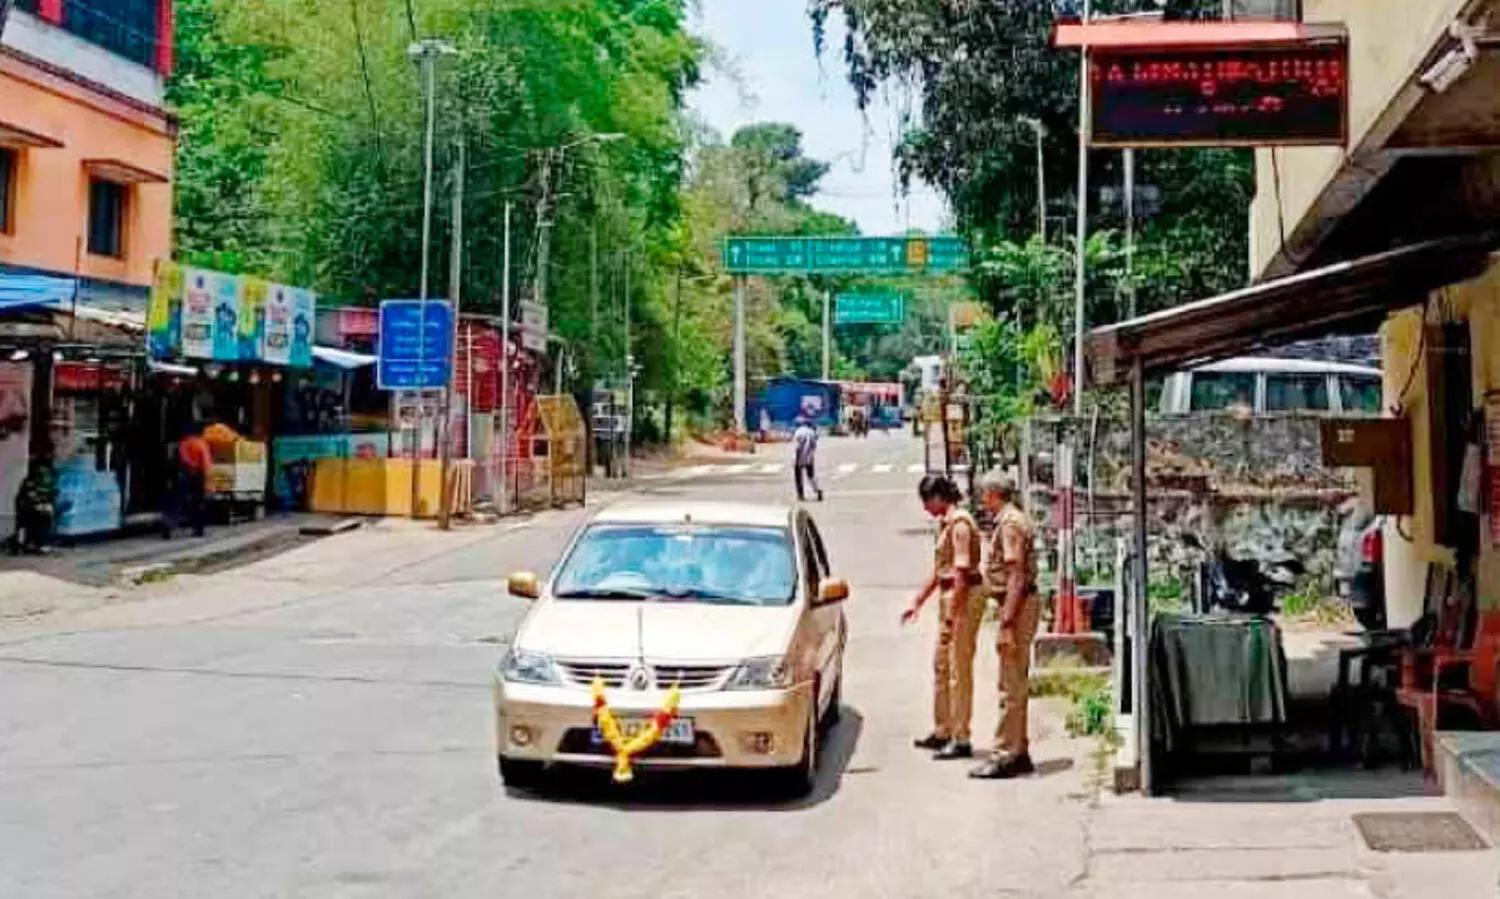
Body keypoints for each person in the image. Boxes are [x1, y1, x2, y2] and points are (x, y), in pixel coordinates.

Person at [901, 474, 983, 760]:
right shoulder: (946, 525)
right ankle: (943, 729)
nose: (925, 507)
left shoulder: (960, 524)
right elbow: (941, 570)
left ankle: (961, 737)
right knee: (941, 667)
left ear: (938, 497)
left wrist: (955, 611)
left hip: (962, 597)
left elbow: (961, 572)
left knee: (958, 671)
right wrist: (918, 602)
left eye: (927, 501)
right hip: (949, 596)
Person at [970, 472, 1042, 779]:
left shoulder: (1010, 524)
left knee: (1009, 684)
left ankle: (1005, 754)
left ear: (993, 494)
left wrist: (1007, 623)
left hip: (1018, 606)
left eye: (983, 494)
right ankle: (1019, 748)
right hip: (1019, 604)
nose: (981, 500)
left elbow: (1016, 575)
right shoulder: (1011, 520)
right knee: (1015, 681)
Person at [165, 422, 213, 539]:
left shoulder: (184, 443)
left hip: (183, 475)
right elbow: (207, 464)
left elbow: (181, 459)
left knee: (176, 502)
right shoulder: (201, 444)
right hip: (197, 475)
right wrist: (209, 484)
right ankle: (198, 529)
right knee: (198, 503)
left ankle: (168, 527)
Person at [11, 453, 57, 555]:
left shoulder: (47, 479)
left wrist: (46, 503)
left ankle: (38, 544)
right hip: (26, 506)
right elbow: (29, 494)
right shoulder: (31, 480)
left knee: (42, 521)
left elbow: (50, 493)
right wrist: (39, 504)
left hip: (37, 506)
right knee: (24, 525)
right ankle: (21, 546)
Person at [792, 417, 823, 502]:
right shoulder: (812, 432)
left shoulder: (798, 432)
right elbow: (814, 446)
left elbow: (797, 447)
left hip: (799, 457)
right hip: (809, 457)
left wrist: (796, 458)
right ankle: (817, 491)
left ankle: (800, 495)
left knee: (798, 477)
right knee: (811, 476)